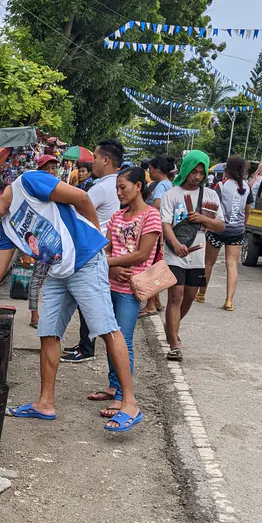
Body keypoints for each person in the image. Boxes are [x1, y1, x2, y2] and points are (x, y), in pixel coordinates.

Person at [0, 171, 143, 433]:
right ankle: (45, 403)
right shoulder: (8, 225)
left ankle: (130, 404)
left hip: (85, 262)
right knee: (48, 333)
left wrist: (95, 235)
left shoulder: (28, 183)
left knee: (107, 330)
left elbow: (81, 197)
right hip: (57, 272)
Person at [87, 167, 161, 417]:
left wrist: (108, 265)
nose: (119, 192)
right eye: (117, 188)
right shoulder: (117, 216)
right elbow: (106, 249)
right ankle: (112, 385)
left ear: (138, 186)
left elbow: (142, 253)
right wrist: (111, 270)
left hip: (132, 287)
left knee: (123, 340)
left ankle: (121, 396)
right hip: (111, 284)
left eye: (123, 187)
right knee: (110, 338)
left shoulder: (151, 216)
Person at [61, 139, 123, 364]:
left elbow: (78, 207)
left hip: (96, 248)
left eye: (95, 158)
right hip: (109, 247)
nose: (92, 162)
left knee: (89, 298)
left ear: (106, 160)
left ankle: (87, 348)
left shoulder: (102, 187)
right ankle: (85, 344)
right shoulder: (118, 183)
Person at [160, 150, 224, 360]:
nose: (197, 176)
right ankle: (174, 344)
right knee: (175, 295)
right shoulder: (172, 194)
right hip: (174, 253)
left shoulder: (211, 196)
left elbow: (220, 225)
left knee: (188, 297)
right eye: (193, 171)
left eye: (201, 172)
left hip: (197, 254)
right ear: (186, 169)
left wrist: (203, 219)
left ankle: (172, 325)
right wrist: (175, 244)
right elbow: (165, 224)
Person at [201, 154, 253, 311]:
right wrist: (243, 222)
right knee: (232, 265)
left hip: (218, 229)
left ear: (227, 169)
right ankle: (229, 301)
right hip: (237, 231)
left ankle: (201, 294)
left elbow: (212, 208)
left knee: (208, 263)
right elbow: (248, 210)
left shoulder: (221, 186)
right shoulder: (247, 187)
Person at [141, 155, 174, 314]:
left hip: (157, 230)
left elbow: (157, 205)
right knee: (157, 264)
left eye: (151, 169)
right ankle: (157, 302)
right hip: (165, 230)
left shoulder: (161, 186)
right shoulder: (170, 184)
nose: (149, 172)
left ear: (158, 169)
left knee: (152, 266)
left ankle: (151, 305)